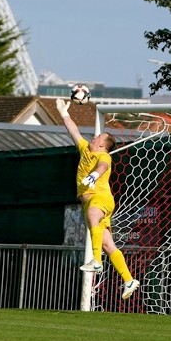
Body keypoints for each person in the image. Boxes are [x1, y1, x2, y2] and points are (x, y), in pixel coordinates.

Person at [55, 97, 141, 300]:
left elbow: (102, 167)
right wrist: (63, 112)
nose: (93, 137)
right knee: (108, 245)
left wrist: (94, 176)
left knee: (94, 216)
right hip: (89, 202)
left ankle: (96, 261)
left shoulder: (104, 156)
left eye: (98, 137)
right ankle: (129, 280)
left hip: (100, 198)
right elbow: (73, 131)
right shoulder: (86, 149)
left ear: (103, 144)